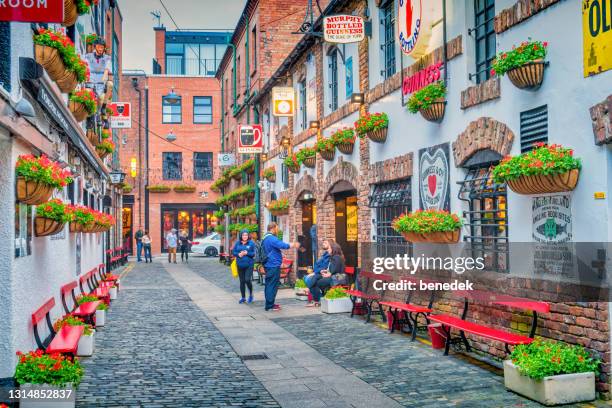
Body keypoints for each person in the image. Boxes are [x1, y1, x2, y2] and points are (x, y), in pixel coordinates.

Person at [261, 222, 300, 311]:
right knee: (272, 285)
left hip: (269, 264)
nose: (278, 230)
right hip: (273, 265)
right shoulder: (271, 238)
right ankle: (269, 305)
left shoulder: (265, 237)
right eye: (277, 228)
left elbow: (273, 249)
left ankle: (270, 303)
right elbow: (283, 245)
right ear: (273, 228)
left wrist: (279, 254)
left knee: (269, 284)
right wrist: (293, 244)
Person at [307, 242, 346, 307]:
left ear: (333, 249)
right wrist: (325, 271)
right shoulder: (336, 257)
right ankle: (315, 298)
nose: (328, 250)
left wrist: (328, 274)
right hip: (334, 277)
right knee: (315, 277)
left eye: (329, 248)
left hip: (336, 279)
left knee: (315, 282)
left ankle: (315, 299)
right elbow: (333, 270)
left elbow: (335, 271)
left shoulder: (336, 257)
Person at [84, 38, 112, 102]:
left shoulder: (107, 58)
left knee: (110, 84)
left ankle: (103, 106)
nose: (100, 49)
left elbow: (107, 69)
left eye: (102, 47)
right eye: (98, 47)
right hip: (90, 82)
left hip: (101, 83)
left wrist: (104, 76)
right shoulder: (88, 56)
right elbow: (85, 66)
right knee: (87, 93)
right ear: (95, 47)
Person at [232, 230, 256, 304]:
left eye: (246, 235)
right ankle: (243, 297)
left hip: (249, 265)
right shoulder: (237, 243)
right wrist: (238, 254)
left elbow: (253, 253)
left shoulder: (251, 243)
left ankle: (251, 295)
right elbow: (233, 252)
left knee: (247, 280)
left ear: (248, 236)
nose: (244, 236)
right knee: (242, 281)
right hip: (240, 265)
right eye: (243, 235)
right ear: (241, 236)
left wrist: (247, 253)